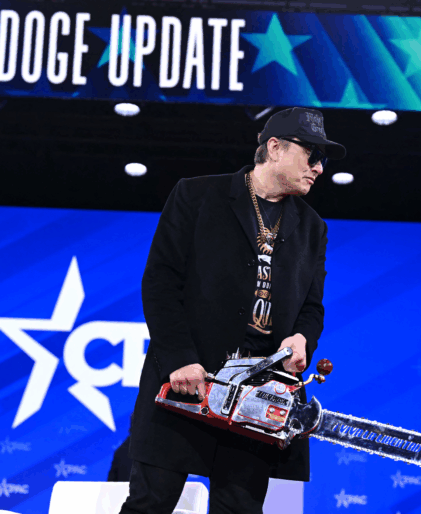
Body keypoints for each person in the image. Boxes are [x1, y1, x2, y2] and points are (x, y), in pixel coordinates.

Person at [120, 107, 346, 514]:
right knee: (149, 504)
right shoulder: (196, 195)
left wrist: (302, 339)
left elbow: (312, 307)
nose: (319, 168)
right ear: (274, 148)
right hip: (186, 382)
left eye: (323, 160)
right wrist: (180, 359)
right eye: (312, 155)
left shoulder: (314, 227)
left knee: (240, 510)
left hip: (257, 395)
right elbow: (160, 283)